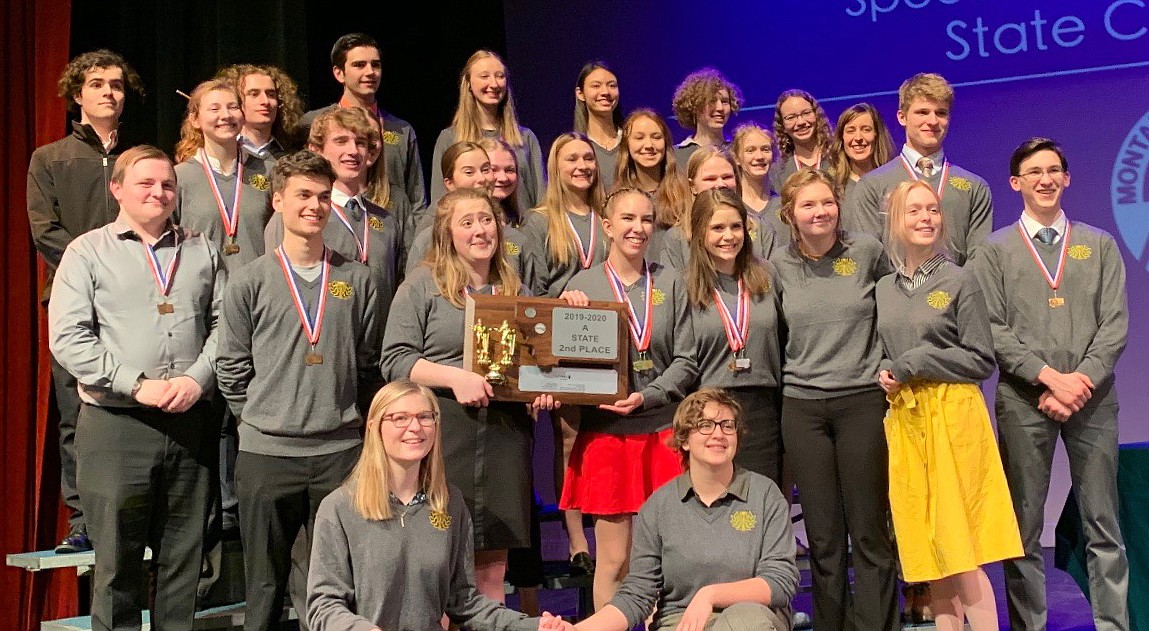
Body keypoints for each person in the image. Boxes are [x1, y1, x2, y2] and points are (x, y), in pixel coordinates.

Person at [48, 145, 224, 631]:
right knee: (118, 569)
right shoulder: (87, 251)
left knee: (184, 567)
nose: (159, 192)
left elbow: (225, 326)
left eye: (167, 184)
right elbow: (67, 337)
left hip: (189, 424)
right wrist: (137, 385)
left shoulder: (202, 248)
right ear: (117, 189)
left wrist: (197, 378)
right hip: (116, 426)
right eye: (145, 183)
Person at [216, 151, 382, 631]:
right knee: (263, 586)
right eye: (304, 195)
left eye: (324, 197)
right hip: (267, 456)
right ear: (278, 200)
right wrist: (264, 416)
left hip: (340, 454)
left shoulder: (357, 279)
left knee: (337, 585)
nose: (314, 205)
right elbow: (231, 367)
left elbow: (369, 364)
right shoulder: (249, 280)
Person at [971, 138, 1130, 631]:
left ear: (1067, 178)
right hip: (1024, 400)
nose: (1045, 179)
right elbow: (990, 326)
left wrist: (1079, 382)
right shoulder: (993, 249)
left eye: (1054, 170)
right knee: (1022, 528)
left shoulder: (1099, 243)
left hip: (1093, 400)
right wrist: (1048, 379)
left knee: (1103, 525)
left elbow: (1115, 323)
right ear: (1016, 183)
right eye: (1034, 172)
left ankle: (1114, 625)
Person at [380, 187, 558, 604]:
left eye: (486, 219)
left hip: (505, 435)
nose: (480, 230)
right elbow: (396, 359)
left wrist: (539, 391)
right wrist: (456, 378)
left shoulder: (515, 285)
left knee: (492, 569)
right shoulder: (423, 284)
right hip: (444, 433)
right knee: (440, 565)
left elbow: (533, 359)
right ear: (447, 234)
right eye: (467, 222)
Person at [307, 379, 570, 631]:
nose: (415, 427)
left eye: (425, 416)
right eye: (400, 418)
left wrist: (533, 626)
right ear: (375, 427)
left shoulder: (450, 503)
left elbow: (465, 602)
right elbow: (324, 605)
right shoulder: (340, 507)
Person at [877, 180, 1022, 630]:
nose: (926, 218)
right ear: (896, 222)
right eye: (915, 211)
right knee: (928, 549)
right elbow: (890, 347)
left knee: (961, 549)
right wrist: (886, 368)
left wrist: (919, 361)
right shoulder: (885, 287)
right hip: (908, 418)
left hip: (954, 414)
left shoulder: (960, 279)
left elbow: (981, 358)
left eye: (933, 210)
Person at [558, 188, 698, 611]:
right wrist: (568, 312)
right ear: (608, 226)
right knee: (615, 561)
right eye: (628, 219)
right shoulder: (581, 286)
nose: (638, 228)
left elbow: (687, 359)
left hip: (662, 432)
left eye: (646, 219)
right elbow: (562, 364)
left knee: (666, 557)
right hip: (607, 436)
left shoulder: (672, 280)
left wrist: (647, 396)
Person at [771, 169, 899, 630]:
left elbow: (895, 310)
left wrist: (891, 362)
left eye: (827, 202)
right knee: (823, 536)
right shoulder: (776, 264)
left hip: (862, 399)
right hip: (803, 407)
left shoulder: (866, 251)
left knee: (868, 531)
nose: (820, 211)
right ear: (789, 213)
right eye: (808, 205)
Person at [28, 49, 143, 554]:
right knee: (76, 412)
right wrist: (94, 264)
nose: (108, 92)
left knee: (134, 405)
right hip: (72, 302)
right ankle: (82, 519)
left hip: (135, 301)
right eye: (97, 84)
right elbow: (42, 230)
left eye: (116, 85)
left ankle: (134, 516)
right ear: (78, 94)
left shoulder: (138, 160)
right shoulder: (49, 158)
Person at [573, 388, 798, 631]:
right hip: (681, 623)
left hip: (753, 618)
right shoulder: (659, 506)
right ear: (684, 439)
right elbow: (637, 594)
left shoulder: (764, 495)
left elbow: (780, 581)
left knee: (746, 620)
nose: (718, 434)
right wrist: (578, 630)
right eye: (705, 425)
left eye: (727, 425)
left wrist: (710, 595)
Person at [265, 107, 404, 324]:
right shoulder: (297, 216)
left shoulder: (386, 220)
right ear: (316, 150)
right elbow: (277, 286)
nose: (353, 151)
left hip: (377, 348)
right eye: (341, 141)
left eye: (360, 143)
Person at [685, 188, 782, 485]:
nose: (729, 236)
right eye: (717, 228)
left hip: (761, 411)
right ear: (700, 231)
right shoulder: (684, 285)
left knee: (759, 505)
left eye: (735, 226)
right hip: (707, 409)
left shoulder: (767, 274)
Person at [845, 73, 992, 266]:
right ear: (902, 117)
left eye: (940, 113)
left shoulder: (975, 187)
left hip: (958, 293)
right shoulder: (872, 185)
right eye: (922, 112)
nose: (932, 121)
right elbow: (871, 259)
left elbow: (979, 262)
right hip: (896, 294)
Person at [301, 32, 426, 211]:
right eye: (359, 65)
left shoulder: (401, 129)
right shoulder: (312, 122)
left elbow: (417, 199)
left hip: (393, 230)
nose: (370, 72)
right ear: (339, 73)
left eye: (375, 65)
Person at [406, 141, 538, 293]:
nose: (482, 178)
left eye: (486, 169)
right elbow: (414, 293)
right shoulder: (429, 235)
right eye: (469, 172)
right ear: (449, 183)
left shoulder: (517, 238)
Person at [174, 79, 273, 274]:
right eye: (215, 109)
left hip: (257, 293)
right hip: (204, 294)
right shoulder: (179, 178)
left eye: (233, 107)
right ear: (195, 120)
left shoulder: (268, 169)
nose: (226, 115)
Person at [430, 50, 544, 218]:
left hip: (523, 236)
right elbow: (440, 201)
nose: (494, 84)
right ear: (468, 83)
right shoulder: (450, 138)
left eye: (500, 76)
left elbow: (541, 199)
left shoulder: (525, 138)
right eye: (484, 76)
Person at [522, 133, 608, 297]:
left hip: (604, 316)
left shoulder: (606, 219)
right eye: (572, 159)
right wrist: (560, 301)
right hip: (557, 316)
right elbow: (534, 292)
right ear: (556, 167)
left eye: (589, 158)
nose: (582, 165)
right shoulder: (538, 221)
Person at [662, 147, 763, 270]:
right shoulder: (676, 238)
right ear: (692, 186)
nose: (720, 184)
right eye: (710, 179)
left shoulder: (761, 229)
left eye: (727, 177)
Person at [611, 109, 690, 261]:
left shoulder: (685, 194)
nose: (649, 145)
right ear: (627, 145)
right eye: (639, 138)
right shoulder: (616, 199)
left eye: (656, 137)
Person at [216, 63, 302, 160]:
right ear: (234, 100)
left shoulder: (292, 157)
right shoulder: (220, 153)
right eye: (254, 94)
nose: (265, 101)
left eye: (271, 94)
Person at [671, 68, 742, 167]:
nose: (720, 108)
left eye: (724, 101)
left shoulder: (739, 150)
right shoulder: (676, 156)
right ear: (694, 105)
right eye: (712, 101)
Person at [770, 89, 834, 193]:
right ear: (782, 126)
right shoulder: (776, 171)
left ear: (817, 116)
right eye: (791, 117)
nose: (800, 122)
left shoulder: (838, 157)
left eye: (806, 113)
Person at [830, 103, 894, 203]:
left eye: (866, 130)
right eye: (851, 131)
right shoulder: (832, 185)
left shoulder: (893, 180)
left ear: (876, 134)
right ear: (841, 137)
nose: (858, 138)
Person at [574, 61, 622, 191]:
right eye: (596, 86)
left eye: (612, 86)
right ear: (580, 93)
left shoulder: (632, 142)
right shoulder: (573, 146)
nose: (605, 92)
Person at [732, 122, 785, 237]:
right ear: (736, 158)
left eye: (765, 149)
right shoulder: (731, 206)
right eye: (750, 150)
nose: (759, 157)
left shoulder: (785, 206)